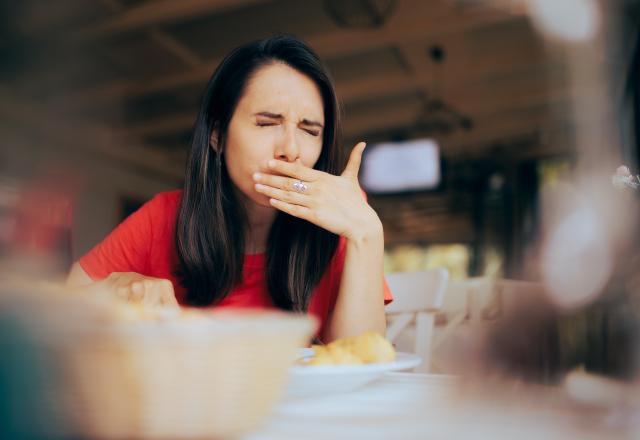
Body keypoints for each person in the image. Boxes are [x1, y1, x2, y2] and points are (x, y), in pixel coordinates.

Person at [66, 35, 391, 342]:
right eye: (267, 123)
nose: (290, 150)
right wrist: (119, 288)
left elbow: (360, 357)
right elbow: (61, 307)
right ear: (217, 136)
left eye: (310, 130)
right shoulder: (165, 217)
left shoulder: (343, 216)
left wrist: (366, 233)